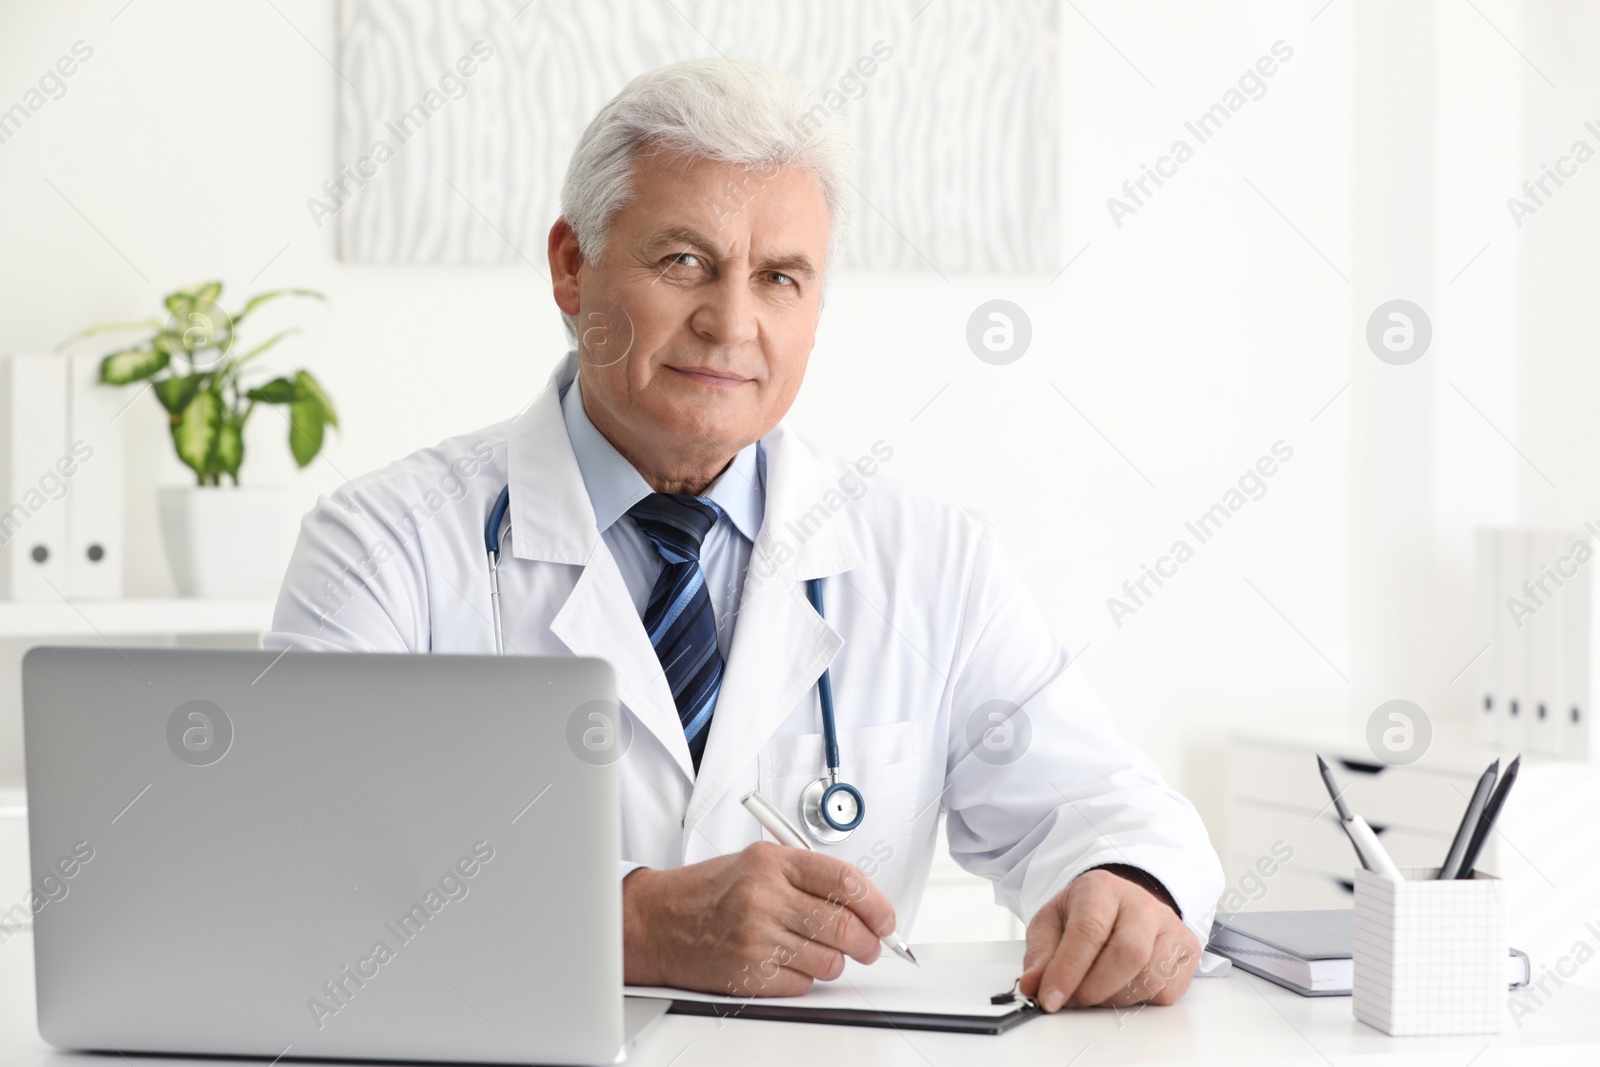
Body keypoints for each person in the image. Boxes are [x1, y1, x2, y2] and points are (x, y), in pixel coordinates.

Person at [266, 58, 1224, 1012]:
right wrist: (632, 922)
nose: (731, 322)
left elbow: (1107, 807)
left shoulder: (934, 561)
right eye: (683, 261)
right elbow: (287, 866)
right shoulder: (386, 545)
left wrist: (1129, 887)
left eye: (779, 278)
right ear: (571, 266)